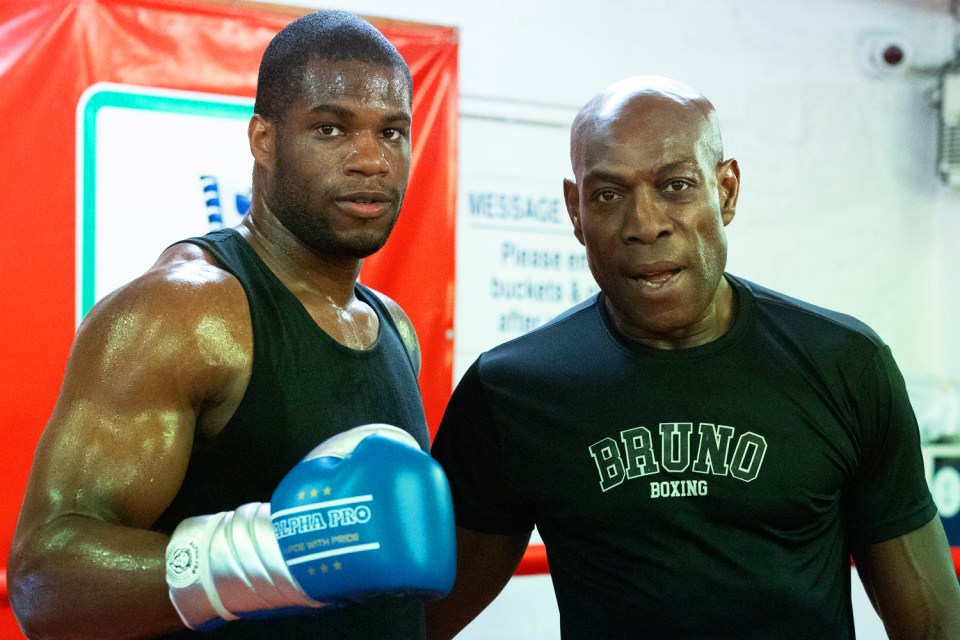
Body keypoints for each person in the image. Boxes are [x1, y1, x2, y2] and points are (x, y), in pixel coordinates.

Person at [425, 75, 960, 639]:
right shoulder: (513, 391)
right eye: (608, 194)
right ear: (574, 209)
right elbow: (420, 619)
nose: (645, 225)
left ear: (726, 191)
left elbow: (932, 620)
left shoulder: (845, 365)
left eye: (676, 185)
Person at [7, 10, 454, 640]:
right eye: (331, 129)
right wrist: (271, 557)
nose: (370, 160)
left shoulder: (392, 328)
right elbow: (44, 579)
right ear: (263, 139)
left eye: (392, 132)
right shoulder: (185, 313)